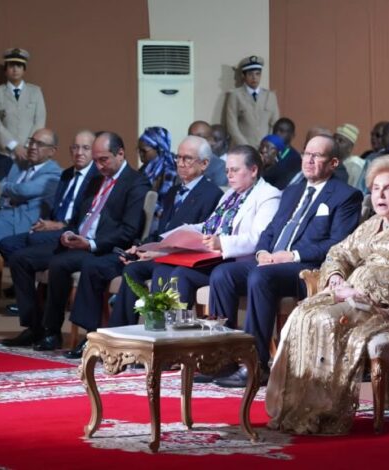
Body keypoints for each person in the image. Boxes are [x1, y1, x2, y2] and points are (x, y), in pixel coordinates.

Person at [265, 155, 389, 435]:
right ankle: (294, 406)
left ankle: (325, 410)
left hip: (385, 304)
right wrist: (335, 277)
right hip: (349, 294)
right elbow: (338, 252)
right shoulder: (372, 224)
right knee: (302, 314)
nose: (380, 195)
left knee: (326, 321)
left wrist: (361, 289)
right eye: (376, 188)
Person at [209, 135, 362, 387]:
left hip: (307, 268)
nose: (309, 160)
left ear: (333, 163)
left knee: (260, 276)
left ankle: (255, 365)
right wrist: (262, 253)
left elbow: (338, 243)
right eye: (306, 154)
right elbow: (270, 231)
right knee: (223, 274)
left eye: (317, 155)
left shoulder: (346, 196)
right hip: (272, 262)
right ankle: (221, 361)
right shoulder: (292, 191)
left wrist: (292, 256)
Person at [64, 136, 224, 358]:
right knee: (132, 269)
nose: (180, 163)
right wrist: (139, 247)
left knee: (160, 272)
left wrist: (159, 252)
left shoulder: (212, 194)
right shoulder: (173, 191)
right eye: (178, 157)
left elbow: (199, 240)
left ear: (204, 164)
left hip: (183, 259)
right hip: (162, 253)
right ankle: (121, 340)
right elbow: (162, 232)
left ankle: (156, 345)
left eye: (187, 159)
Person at [1, 132, 150, 350]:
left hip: (103, 247)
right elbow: (78, 219)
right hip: (78, 241)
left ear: (120, 153)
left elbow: (128, 231)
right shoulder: (96, 180)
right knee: (19, 259)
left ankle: (55, 332)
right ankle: (35, 327)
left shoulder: (136, 182)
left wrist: (90, 244)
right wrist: (68, 234)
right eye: (96, 161)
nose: (98, 166)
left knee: (60, 263)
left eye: (103, 160)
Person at [149, 145, 281, 310]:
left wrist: (221, 243)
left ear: (253, 170)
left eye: (234, 170)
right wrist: (185, 232)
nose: (229, 175)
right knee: (163, 270)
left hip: (239, 262)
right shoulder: (230, 194)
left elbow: (258, 238)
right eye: (227, 171)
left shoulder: (268, 195)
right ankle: (157, 320)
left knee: (181, 274)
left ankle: (178, 324)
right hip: (212, 258)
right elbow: (210, 226)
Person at [0, 130, 98, 316]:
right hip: (55, 226)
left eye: (85, 148)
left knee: (32, 244)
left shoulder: (97, 178)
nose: (79, 153)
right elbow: (57, 206)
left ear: (95, 151)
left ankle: (36, 300)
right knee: (7, 244)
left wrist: (61, 225)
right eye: (75, 147)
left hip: (74, 232)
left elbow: (89, 217)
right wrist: (48, 222)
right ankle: (33, 296)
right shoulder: (66, 174)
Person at [0, 128, 62, 247]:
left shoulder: (55, 173)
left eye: (39, 144)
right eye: (32, 141)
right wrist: (7, 190)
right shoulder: (20, 163)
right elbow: (0, 188)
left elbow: (23, 190)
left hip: (20, 223)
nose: (33, 147)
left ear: (52, 151)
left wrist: (4, 188)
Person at [0, 48, 46, 161]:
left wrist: (28, 145)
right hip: (6, 152)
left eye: (19, 66)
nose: (15, 70)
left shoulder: (35, 92)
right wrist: (13, 145)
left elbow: (40, 120)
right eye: (11, 66)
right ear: (5, 70)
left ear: (24, 70)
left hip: (30, 151)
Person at [224, 55, 280, 146]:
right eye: (250, 74)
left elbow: (275, 123)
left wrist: (269, 143)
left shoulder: (270, 96)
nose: (254, 78)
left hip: (266, 147)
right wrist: (245, 146)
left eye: (257, 74)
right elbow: (232, 125)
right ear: (243, 76)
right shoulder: (236, 95)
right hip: (244, 147)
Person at [138, 126, 178, 227]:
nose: (140, 154)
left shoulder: (172, 171)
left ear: (160, 149)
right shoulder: (143, 170)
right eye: (138, 150)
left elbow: (166, 206)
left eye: (144, 151)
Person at [188, 121, 227, 186]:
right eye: (191, 137)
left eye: (200, 137)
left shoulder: (219, 166)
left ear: (211, 140)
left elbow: (218, 191)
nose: (194, 141)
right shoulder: (180, 161)